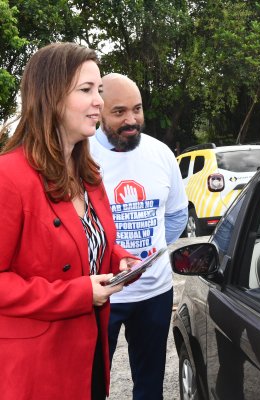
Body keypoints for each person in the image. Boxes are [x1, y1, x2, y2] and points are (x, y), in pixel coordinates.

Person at [0, 42, 139, 400]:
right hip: (37, 372)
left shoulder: (89, 175)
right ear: (51, 96)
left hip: (90, 355)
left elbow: (85, 244)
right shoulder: (9, 177)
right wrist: (78, 293)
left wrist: (116, 258)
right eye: (86, 90)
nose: (99, 102)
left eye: (100, 91)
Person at [89, 73, 188, 400]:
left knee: (150, 384)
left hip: (155, 292)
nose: (131, 120)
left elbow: (176, 215)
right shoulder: (81, 154)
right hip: (101, 295)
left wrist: (151, 252)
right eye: (119, 112)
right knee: (92, 384)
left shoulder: (161, 154)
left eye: (137, 109)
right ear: (100, 111)